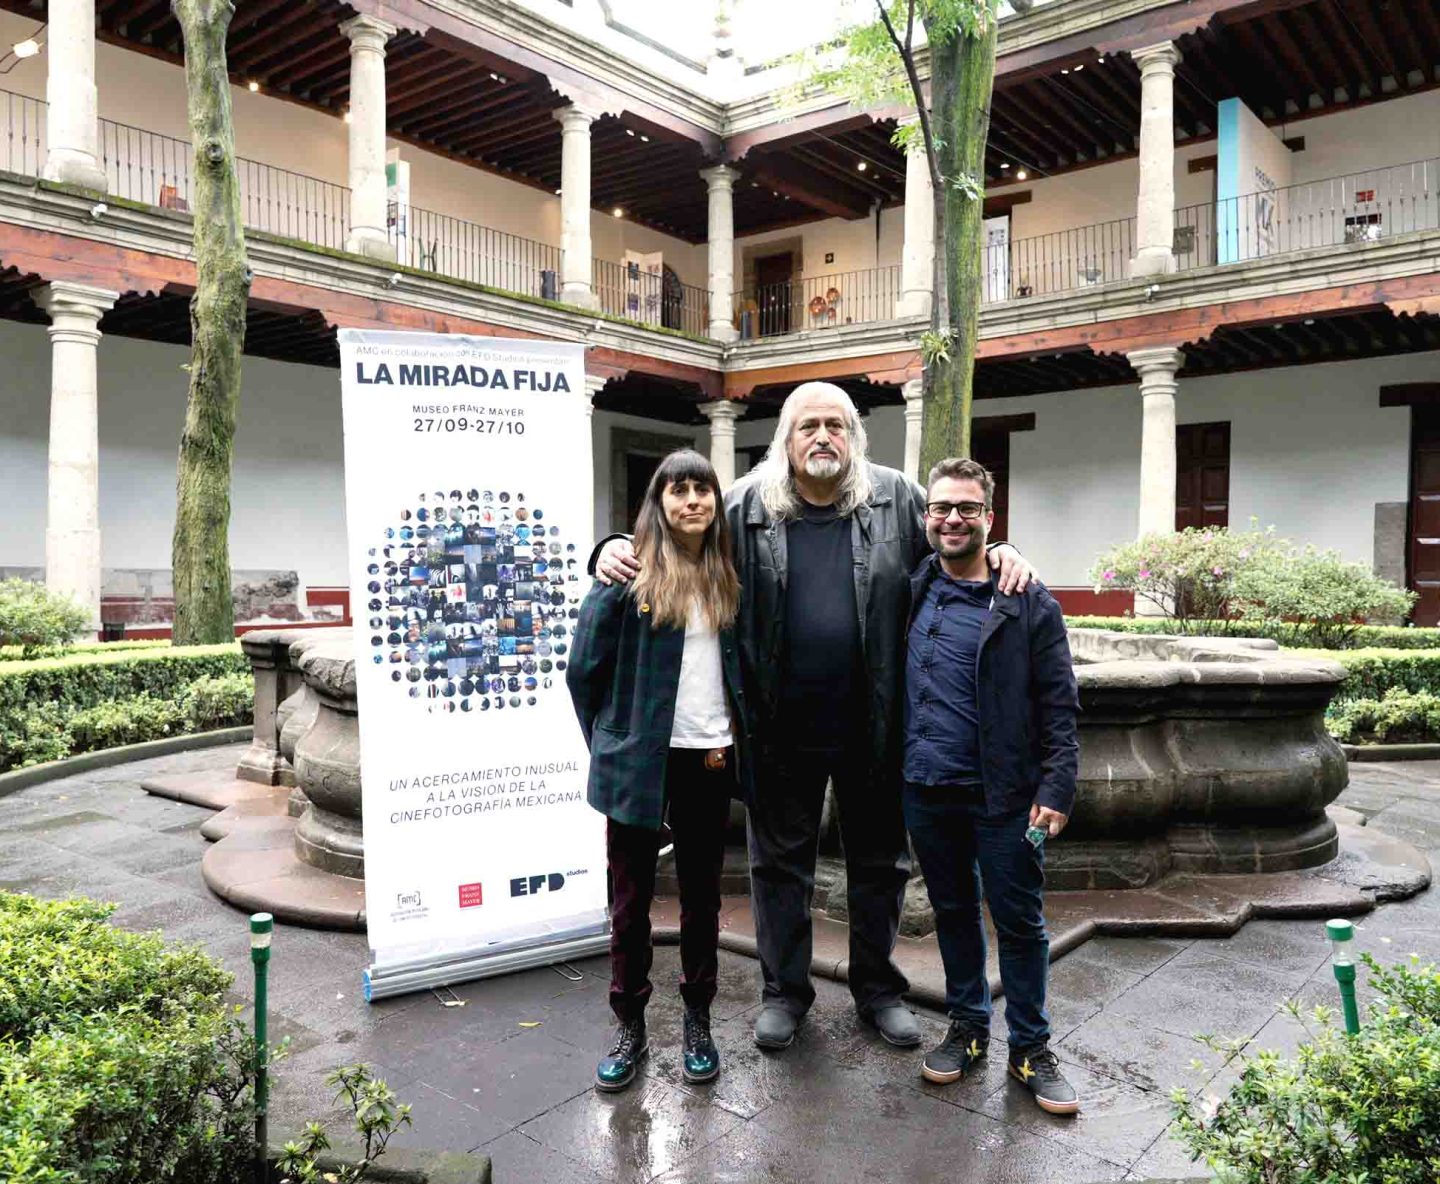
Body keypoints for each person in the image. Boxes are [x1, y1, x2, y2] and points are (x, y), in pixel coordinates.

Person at [593, 382, 1032, 1052]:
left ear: (854, 435)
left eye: (836, 424)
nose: (822, 436)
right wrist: (611, 546)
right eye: (807, 426)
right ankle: (784, 993)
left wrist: (999, 554)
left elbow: (954, 550)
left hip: (877, 723)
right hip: (777, 726)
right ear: (786, 439)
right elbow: (673, 536)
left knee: (880, 865)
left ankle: (878, 990)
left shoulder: (897, 498)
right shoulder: (743, 503)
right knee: (778, 866)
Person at [568, 449, 753, 1093]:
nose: (693, 501)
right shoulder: (627, 573)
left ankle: (698, 1019)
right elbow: (583, 672)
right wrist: (611, 744)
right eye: (679, 490)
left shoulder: (730, 574)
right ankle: (630, 1025)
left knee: (703, 900)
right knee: (630, 902)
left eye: (703, 489)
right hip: (638, 763)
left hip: (708, 757)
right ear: (659, 500)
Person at [903, 457, 1080, 1114]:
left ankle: (1031, 1047)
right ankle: (969, 1029)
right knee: (951, 913)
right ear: (927, 517)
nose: (952, 518)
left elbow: (1060, 705)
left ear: (989, 518)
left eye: (967, 508)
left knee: (1021, 923)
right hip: (926, 787)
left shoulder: (1028, 602)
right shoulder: (915, 585)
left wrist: (1058, 787)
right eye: (942, 507)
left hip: (1004, 795)